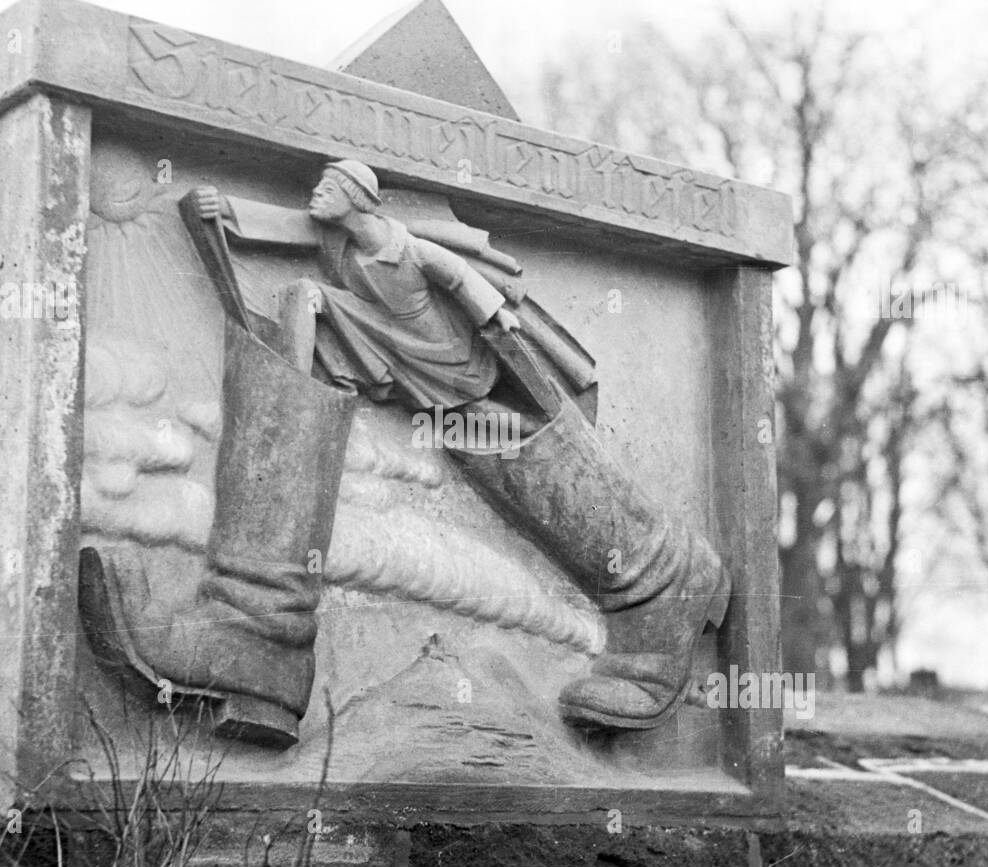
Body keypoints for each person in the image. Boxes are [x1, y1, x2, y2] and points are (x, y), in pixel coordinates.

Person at [79, 160, 730, 749]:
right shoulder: (343, 246)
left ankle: (663, 578)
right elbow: (306, 224)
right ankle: (260, 628)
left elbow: (460, 279)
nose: (319, 195)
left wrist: (493, 319)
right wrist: (237, 215)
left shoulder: (409, 244)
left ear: (362, 198)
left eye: (332, 187)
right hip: (400, 350)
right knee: (302, 318)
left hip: (456, 355)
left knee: (502, 425)